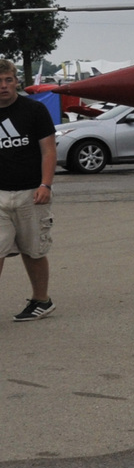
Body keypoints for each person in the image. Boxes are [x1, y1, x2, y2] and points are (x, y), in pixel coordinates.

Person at [0, 59, 57, 321]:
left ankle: (41, 301)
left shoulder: (34, 111)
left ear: (16, 81)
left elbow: (48, 150)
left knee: (33, 251)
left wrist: (45, 184)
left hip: (31, 193)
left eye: (8, 80)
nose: (3, 86)